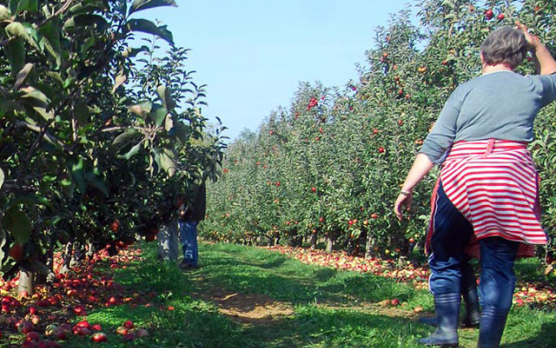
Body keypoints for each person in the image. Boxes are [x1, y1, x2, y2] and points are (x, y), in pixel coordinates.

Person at [394, 22, 556, 348]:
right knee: (497, 264)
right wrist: (537, 44)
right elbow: (553, 74)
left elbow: (436, 144)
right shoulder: (531, 86)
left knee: (445, 253)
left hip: (461, 176)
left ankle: (446, 331)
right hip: (510, 177)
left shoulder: (465, 90)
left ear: (483, 56)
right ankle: (488, 344)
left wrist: (407, 188)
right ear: (520, 58)